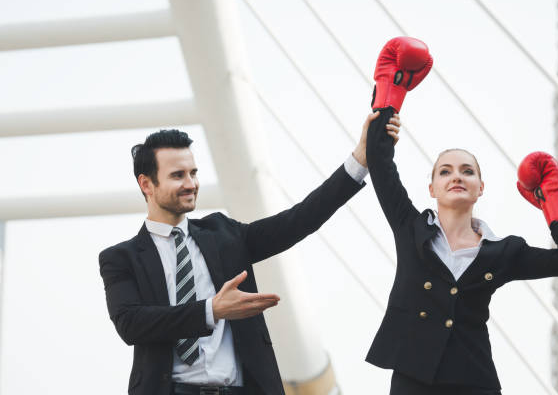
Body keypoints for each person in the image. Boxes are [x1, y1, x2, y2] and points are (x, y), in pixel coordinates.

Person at [98, 119, 401, 395]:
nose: (191, 184)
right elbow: (131, 323)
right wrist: (211, 310)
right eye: (178, 175)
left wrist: (360, 160)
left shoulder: (224, 233)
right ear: (146, 184)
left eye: (193, 173)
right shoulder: (120, 258)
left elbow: (300, 220)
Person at [361, 108, 558, 395]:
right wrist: (385, 107)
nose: (457, 177)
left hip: (474, 381)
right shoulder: (411, 228)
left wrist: (554, 201)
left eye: (467, 171)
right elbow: (381, 165)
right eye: (446, 171)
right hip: (412, 379)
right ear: (432, 188)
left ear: (480, 188)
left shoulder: (503, 251)